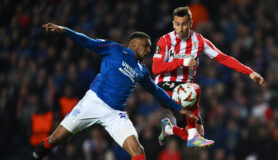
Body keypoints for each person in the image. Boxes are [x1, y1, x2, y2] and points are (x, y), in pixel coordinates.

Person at [31, 23, 198, 160]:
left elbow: (156, 91)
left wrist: (177, 108)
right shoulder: (115, 49)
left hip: (115, 114)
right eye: (147, 46)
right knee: (55, 138)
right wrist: (65, 30)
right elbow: (88, 42)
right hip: (93, 102)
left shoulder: (142, 70)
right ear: (134, 44)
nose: (149, 50)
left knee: (138, 151)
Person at [152, 6, 265, 148]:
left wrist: (250, 72)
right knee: (194, 89)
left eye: (184, 24)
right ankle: (191, 135)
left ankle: (170, 129)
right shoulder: (165, 41)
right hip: (164, 86)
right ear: (173, 24)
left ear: (191, 23)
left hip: (184, 91)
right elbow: (156, 69)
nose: (180, 28)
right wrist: (182, 62)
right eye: (177, 24)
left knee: (199, 132)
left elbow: (223, 58)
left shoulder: (199, 41)